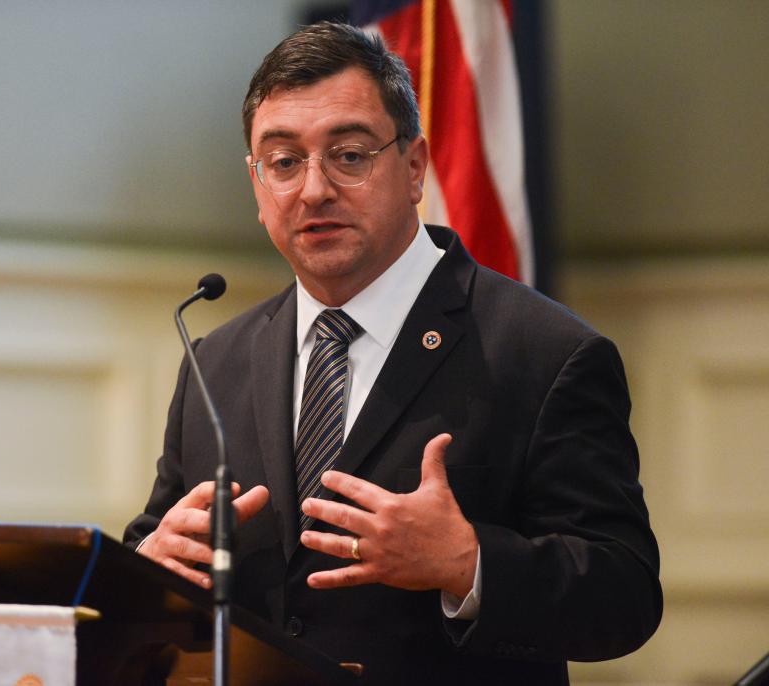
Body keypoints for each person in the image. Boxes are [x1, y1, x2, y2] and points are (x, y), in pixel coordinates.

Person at [124, 21, 661, 685]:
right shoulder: (216, 361)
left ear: (413, 168)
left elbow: (625, 595)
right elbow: (157, 545)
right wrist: (150, 560)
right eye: (284, 161)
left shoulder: (546, 352)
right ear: (257, 185)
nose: (314, 189)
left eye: (349, 155)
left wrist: (468, 563)